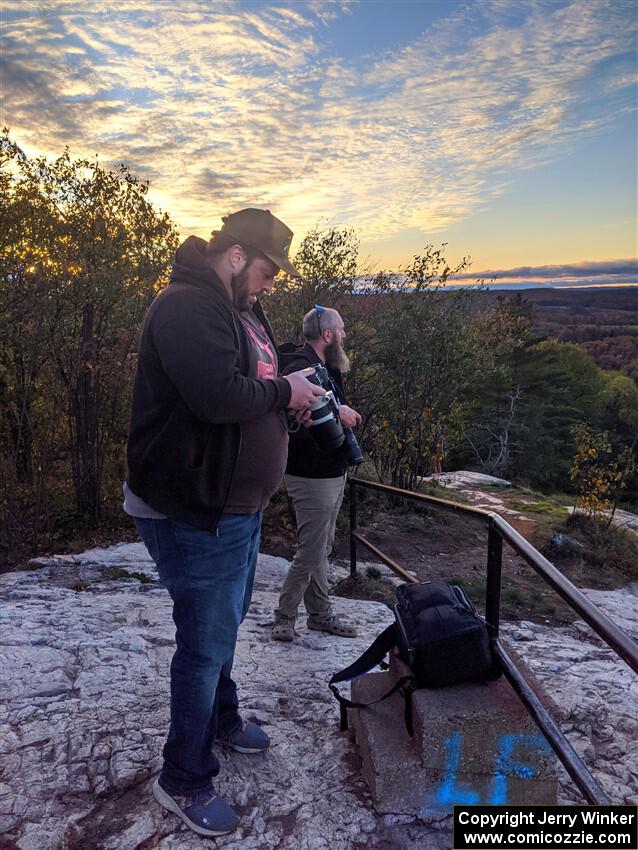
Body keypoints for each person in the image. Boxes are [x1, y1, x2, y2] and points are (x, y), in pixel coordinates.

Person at [124, 209, 325, 838]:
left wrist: (290, 408)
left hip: (237, 509)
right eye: (267, 270)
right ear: (236, 256)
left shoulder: (242, 308)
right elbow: (217, 395)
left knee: (226, 626)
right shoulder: (186, 305)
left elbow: (255, 382)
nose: (271, 284)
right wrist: (283, 396)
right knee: (205, 641)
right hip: (192, 510)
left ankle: (222, 716)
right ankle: (182, 776)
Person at [272, 306, 362, 642]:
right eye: (341, 329)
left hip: (331, 470)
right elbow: (302, 393)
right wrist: (339, 409)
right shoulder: (299, 364)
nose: (344, 335)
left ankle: (320, 615)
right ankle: (283, 617)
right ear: (327, 335)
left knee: (322, 547)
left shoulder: (328, 367)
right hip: (310, 474)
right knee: (310, 550)